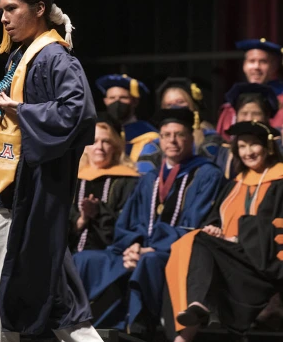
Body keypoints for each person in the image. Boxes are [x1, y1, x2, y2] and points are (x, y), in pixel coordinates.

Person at [0, 0, 103, 342]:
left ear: (39, 9)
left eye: (11, 8)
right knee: (37, 286)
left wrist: (24, 112)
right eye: (1, 10)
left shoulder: (54, 56)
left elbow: (78, 112)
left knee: (20, 286)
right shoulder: (21, 56)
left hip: (32, 190)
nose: (3, 18)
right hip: (11, 186)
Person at [73, 108, 224, 337]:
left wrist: (152, 247)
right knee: (85, 259)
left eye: (179, 134)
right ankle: (84, 329)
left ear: (191, 139)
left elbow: (195, 223)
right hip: (141, 250)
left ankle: (139, 330)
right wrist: (133, 245)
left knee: (149, 260)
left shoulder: (206, 175)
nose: (172, 140)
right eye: (166, 135)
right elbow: (129, 222)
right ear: (160, 140)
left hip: (174, 252)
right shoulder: (151, 179)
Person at [165, 120, 283, 341]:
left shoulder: (280, 182)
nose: (248, 152)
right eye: (242, 146)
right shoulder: (233, 184)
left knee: (196, 243)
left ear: (267, 147)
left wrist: (241, 236)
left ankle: (184, 335)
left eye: (253, 145)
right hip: (231, 258)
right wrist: (215, 229)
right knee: (191, 241)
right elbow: (216, 218)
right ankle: (194, 308)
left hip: (262, 264)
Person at [69, 112, 139, 253]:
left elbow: (129, 223)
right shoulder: (72, 180)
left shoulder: (128, 181)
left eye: (106, 141)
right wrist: (81, 219)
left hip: (109, 257)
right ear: (85, 147)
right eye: (93, 141)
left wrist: (99, 212)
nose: (99, 147)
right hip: (70, 256)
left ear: (115, 147)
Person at [136, 78, 222, 173]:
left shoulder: (211, 140)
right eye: (168, 104)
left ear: (192, 105)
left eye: (180, 102)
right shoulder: (153, 147)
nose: (174, 107)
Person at [216, 38, 283, 141]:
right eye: (252, 61)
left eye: (263, 62)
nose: (256, 67)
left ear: (274, 66)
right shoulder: (230, 108)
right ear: (244, 66)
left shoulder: (281, 101)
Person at [214, 82, 279, 180]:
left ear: (266, 116)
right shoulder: (225, 153)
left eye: (256, 113)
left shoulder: (279, 145)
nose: (249, 119)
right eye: (244, 113)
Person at [95, 74, 159, 164]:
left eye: (123, 98)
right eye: (112, 98)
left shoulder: (148, 133)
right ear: (105, 101)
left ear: (135, 101)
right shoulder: (99, 132)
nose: (117, 102)